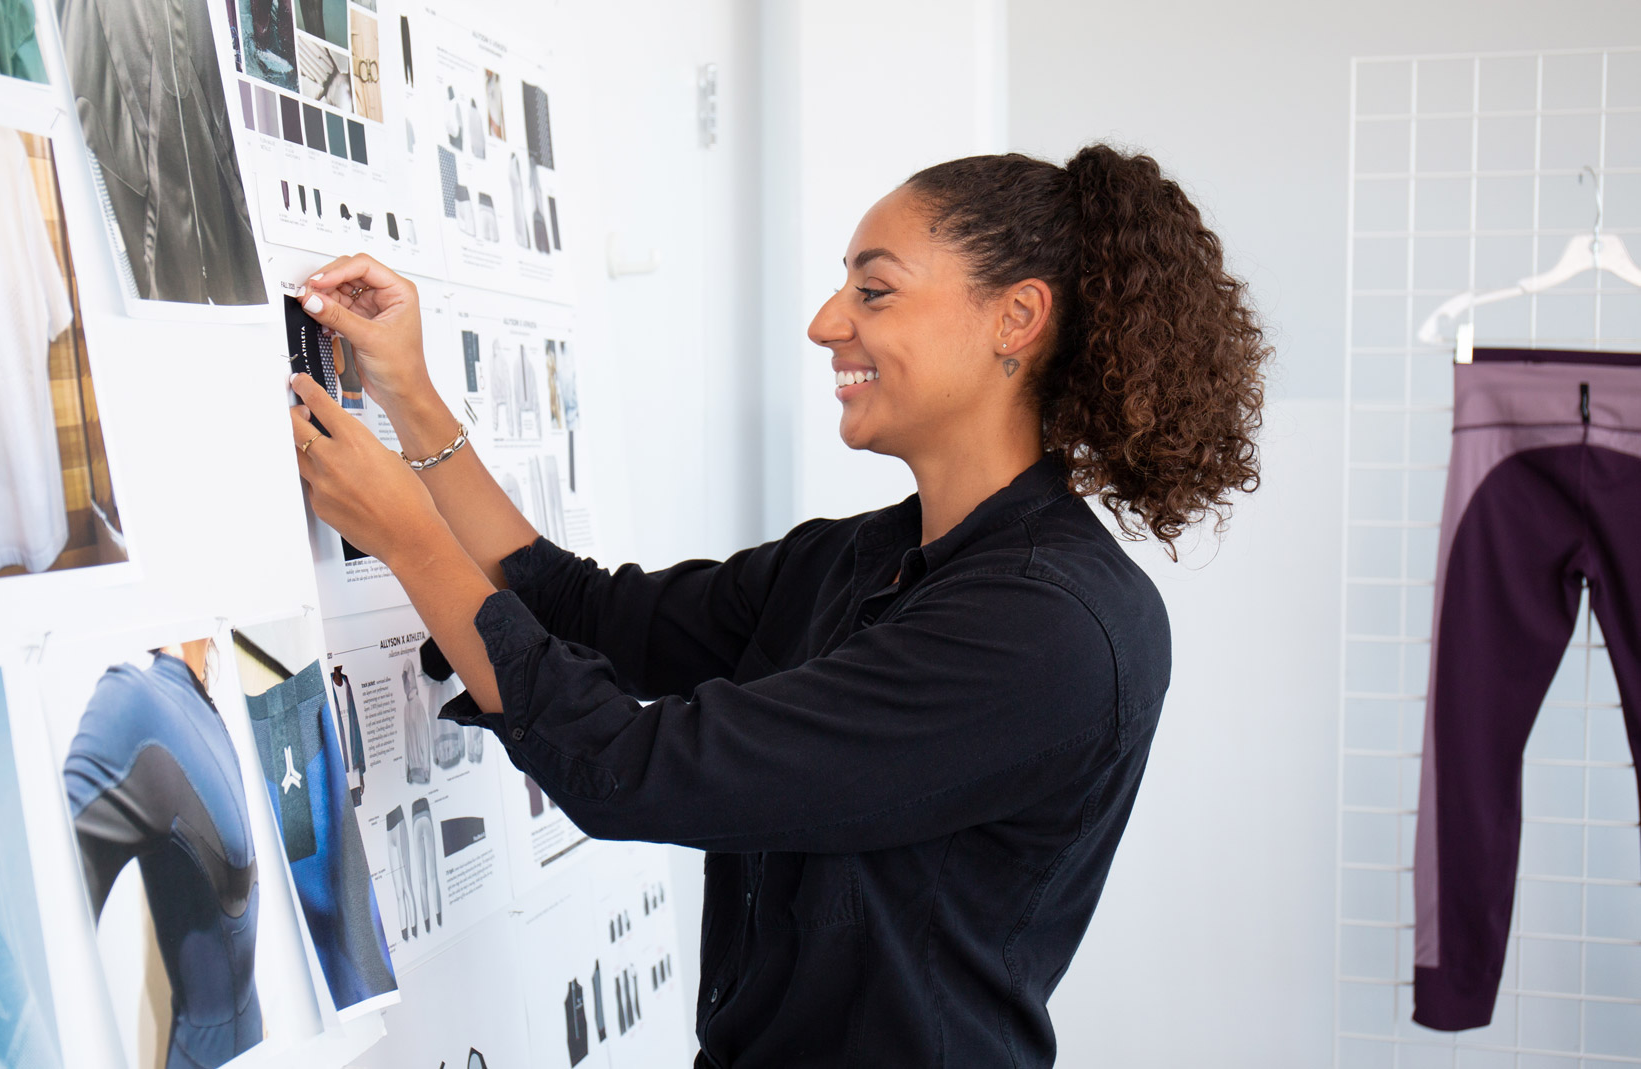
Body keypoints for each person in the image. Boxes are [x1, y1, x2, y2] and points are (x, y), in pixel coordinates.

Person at [284, 144, 1269, 1067]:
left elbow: (632, 772)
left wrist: (410, 539)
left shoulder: (1044, 629)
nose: (826, 322)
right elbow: (583, 611)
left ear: (1015, 318)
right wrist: (408, 393)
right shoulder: (862, 557)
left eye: (872, 290)